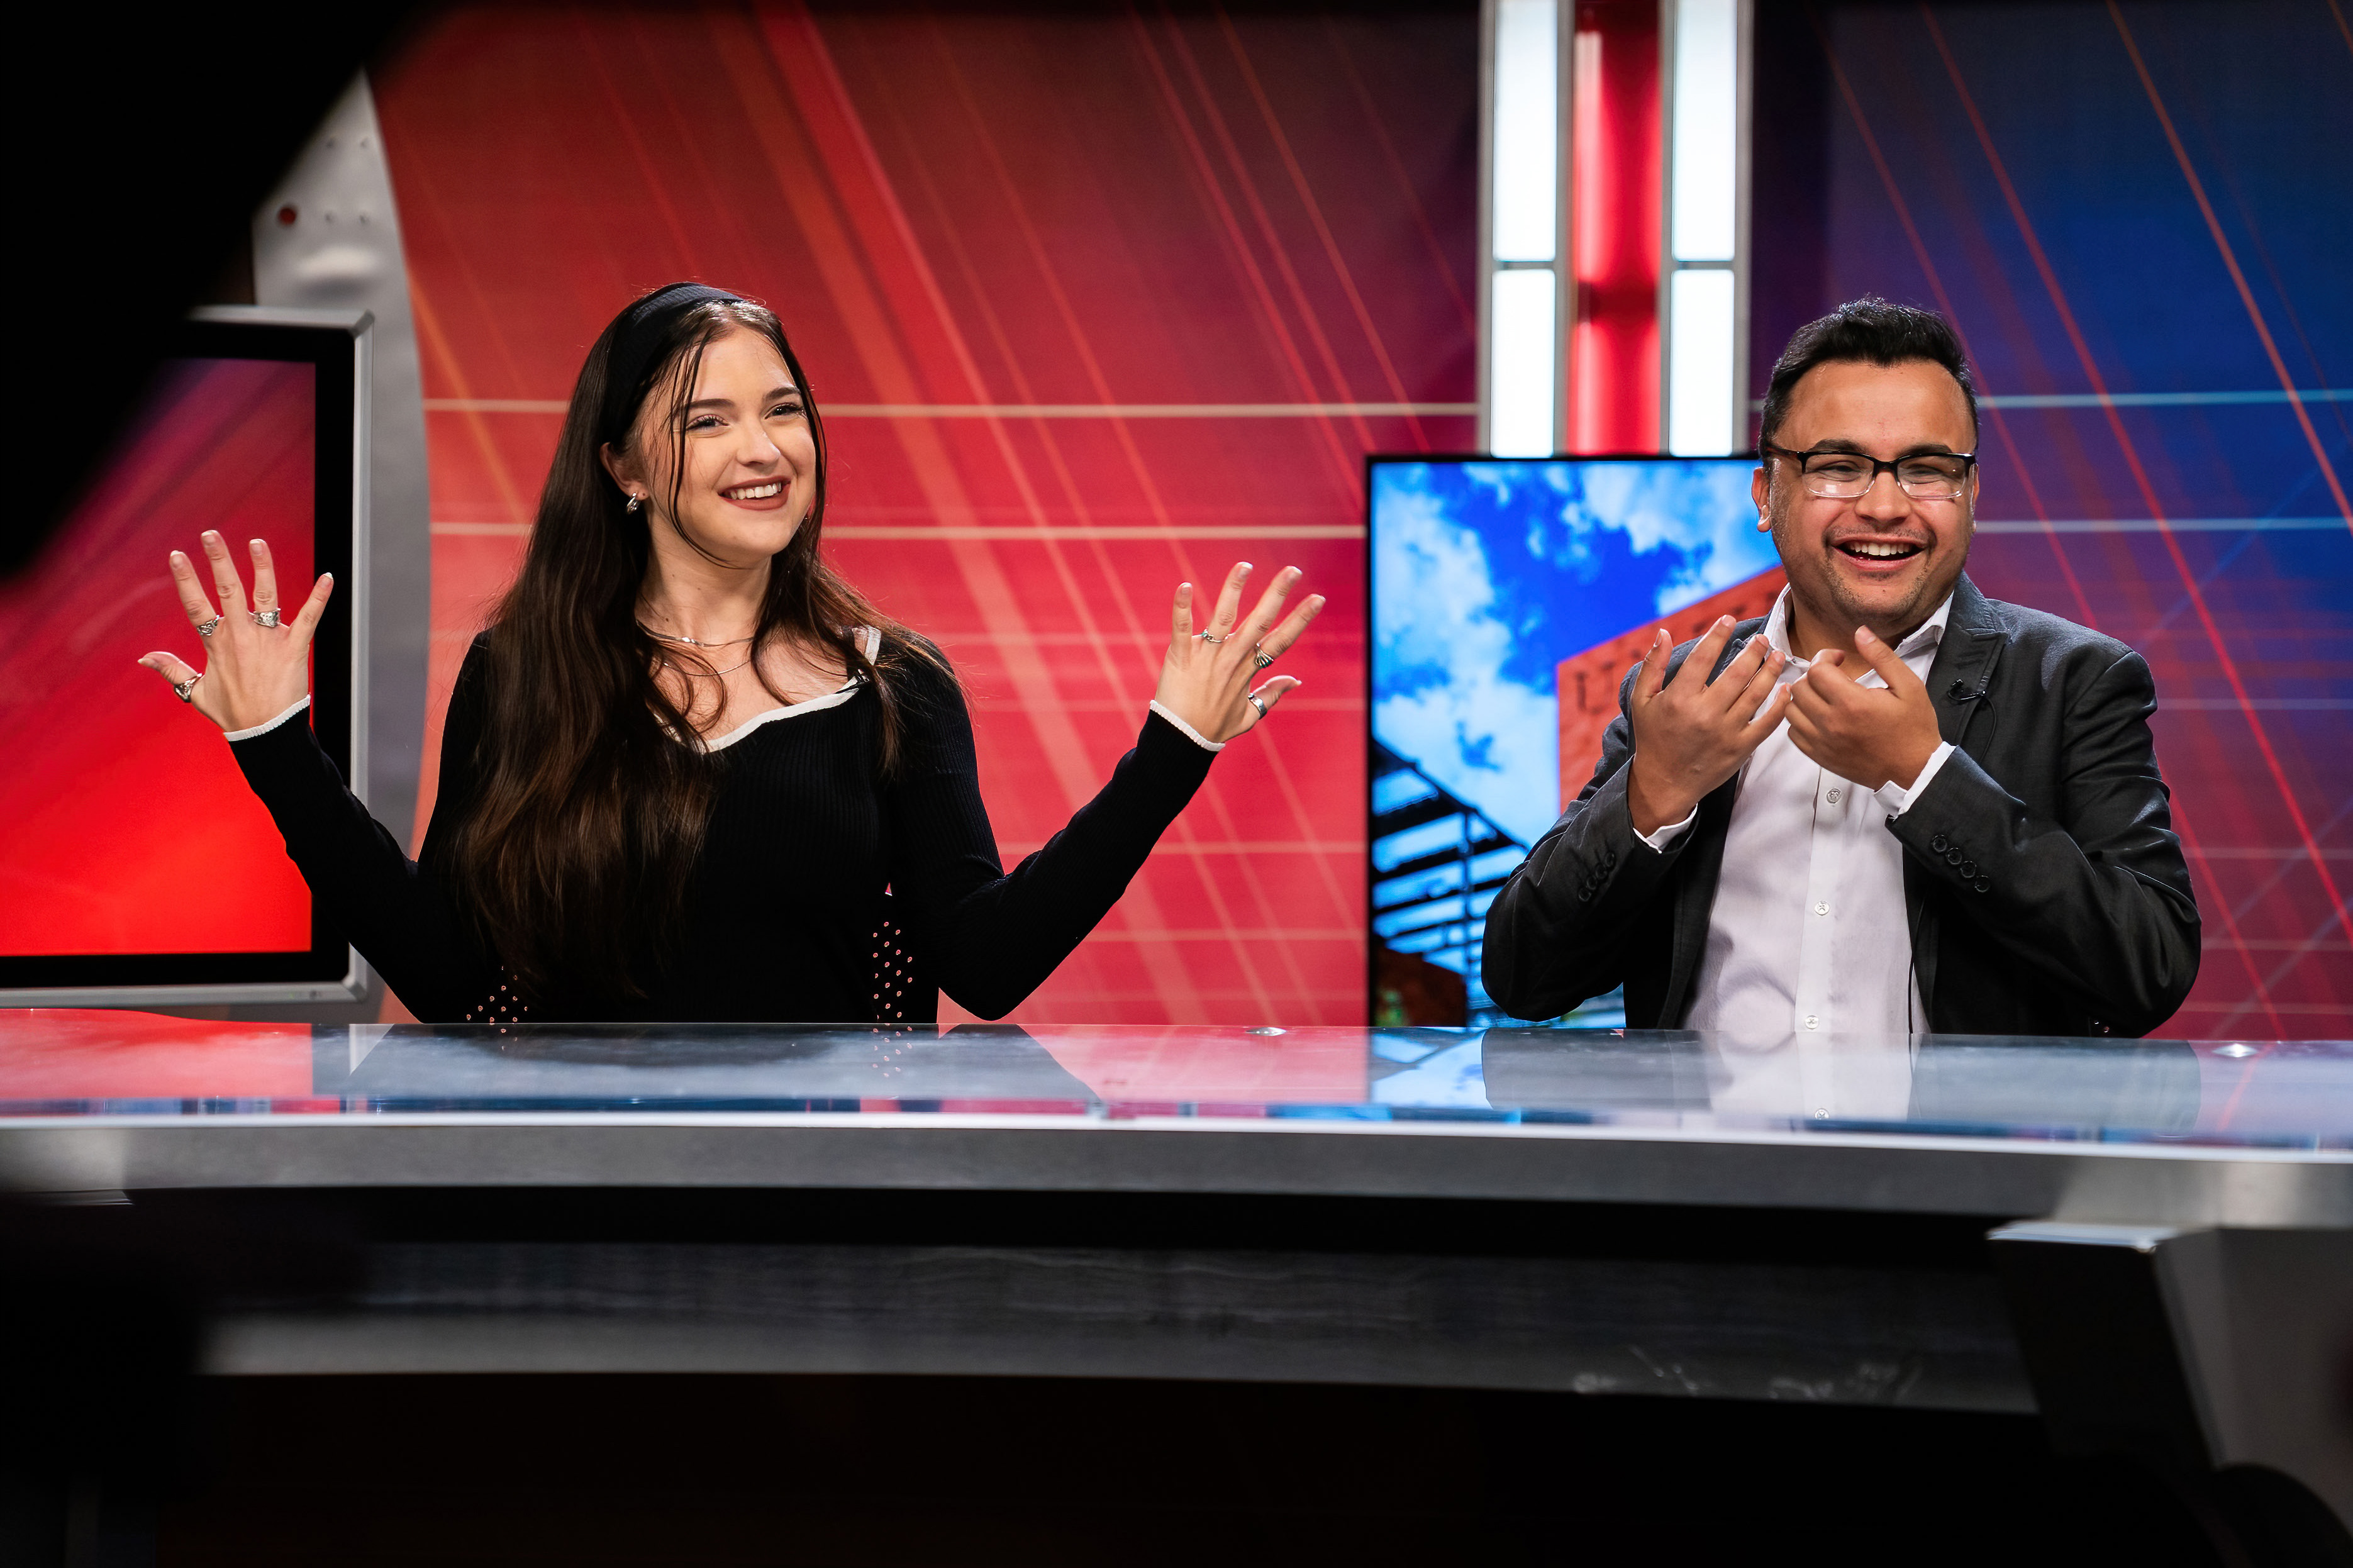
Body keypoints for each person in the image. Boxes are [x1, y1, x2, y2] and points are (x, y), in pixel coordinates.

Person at [140, 282, 1323, 1025]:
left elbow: (987, 964)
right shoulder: (522, 673)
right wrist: (274, 752)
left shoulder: (894, 683)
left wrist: (1172, 752)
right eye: (706, 419)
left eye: (783, 408)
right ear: (624, 468)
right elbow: (448, 974)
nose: (763, 449)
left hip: (815, 1199)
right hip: (561, 1205)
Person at [1482, 298, 2198, 1038]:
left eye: (1927, 469)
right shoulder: (1681, 694)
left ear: (1972, 495)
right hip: (1708, 1154)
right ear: (1766, 494)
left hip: (1964, 1157)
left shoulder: (2077, 680)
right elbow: (1525, 978)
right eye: (1839, 467)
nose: (1886, 506)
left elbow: (2149, 968)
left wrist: (1926, 779)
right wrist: (1654, 796)